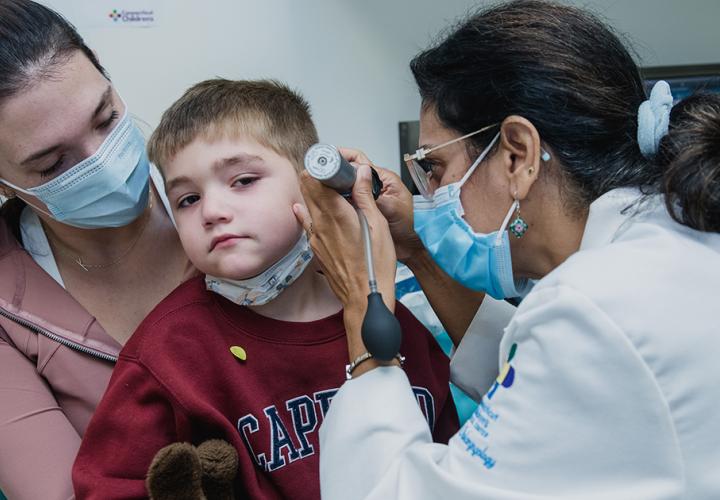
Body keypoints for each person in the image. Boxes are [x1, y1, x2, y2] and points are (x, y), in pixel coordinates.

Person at [293, 1, 720, 498]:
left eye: (434, 169)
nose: (429, 197)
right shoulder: (664, 246)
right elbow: (550, 396)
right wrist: (416, 251)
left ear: (517, 154)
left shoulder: (599, 310)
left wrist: (363, 299)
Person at [72, 79, 459, 499]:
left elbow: (453, 465)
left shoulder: (392, 321)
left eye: (242, 180)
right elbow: (104, 488)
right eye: (187, 200)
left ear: (313, 186)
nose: (213, 212)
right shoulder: (168, 351)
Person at [0, 1, 191, 499]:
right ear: (4, 185)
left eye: (106, 118)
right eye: (51, 164)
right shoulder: (7, 308)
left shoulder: (229, 196)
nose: (103, 163)